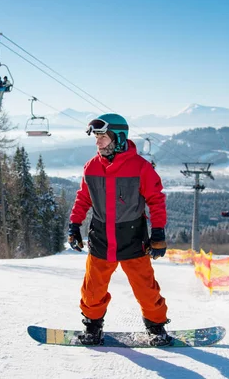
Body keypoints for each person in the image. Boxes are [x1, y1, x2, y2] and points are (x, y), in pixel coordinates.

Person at [67, 113, 171, 346]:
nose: (98, 142)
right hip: (101, 238)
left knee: (145, 288)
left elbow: (156, 200)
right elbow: (83, 198)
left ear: (119, 138)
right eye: (96, 138)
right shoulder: (92, 167)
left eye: (102, 137)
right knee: (93, 289)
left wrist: (158, 233)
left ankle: (156, 328)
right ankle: (93, 327)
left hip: (132, 238)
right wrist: (74, 225)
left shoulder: (141, 168)